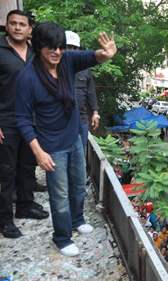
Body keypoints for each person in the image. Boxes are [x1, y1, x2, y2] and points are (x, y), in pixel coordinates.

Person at [15, 22, 117, 256]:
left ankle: (77, 219)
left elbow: (93, 57)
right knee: (59, 194)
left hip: (73, 138)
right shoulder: (27, 78)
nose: (57, 52)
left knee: (79, 183)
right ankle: (61, 237)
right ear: (39, 46)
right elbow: (22, 119)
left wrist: (106, 54)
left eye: (60, 47)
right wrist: (38, 152)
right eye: (51, 47)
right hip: (51, 146)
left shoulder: (67, 61)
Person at [0, 10, 49, 239]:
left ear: (29, 29)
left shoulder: (35, 54)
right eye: (13, 23)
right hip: (6, 120)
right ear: (7, 26)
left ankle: (25, 205)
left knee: (28, 166)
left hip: (31, 121)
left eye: (22, 24)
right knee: (6, 173)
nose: (18, 27)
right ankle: (5, 220)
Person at [65, 30, 99, 151]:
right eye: (68, 47)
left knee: (80, 152)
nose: (71, 50)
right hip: (61, 120)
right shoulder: (54, 67)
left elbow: (91, 92)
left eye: (74, 48)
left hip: (81, 119)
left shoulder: (85, 70)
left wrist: (95, 112)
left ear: (79, 50)